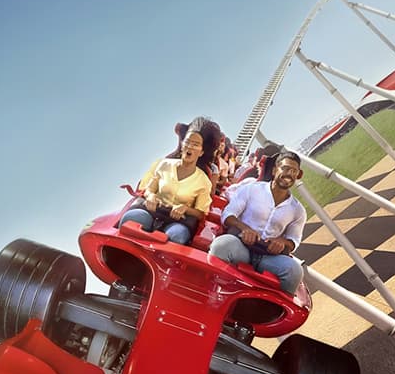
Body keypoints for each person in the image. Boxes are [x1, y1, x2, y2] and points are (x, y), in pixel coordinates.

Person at [208, 150, 307, 294]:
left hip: (268, 257)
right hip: (242, 246)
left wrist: (282, 242)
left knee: (294, 271)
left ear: (298, 175)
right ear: (274, 170)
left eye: (294, 171)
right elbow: (228, 215)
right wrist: (244, 228)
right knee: (221, 245)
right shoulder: (251, 189)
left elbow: (293, 241)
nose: (289, 174)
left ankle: (269, 312)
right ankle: (215, 292)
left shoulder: (298, 210)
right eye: (285, 168)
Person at [120, 119, 219, 245]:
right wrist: (151, 196)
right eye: (187, 142)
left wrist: (185, 209)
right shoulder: (165, 164)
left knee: (176, 237)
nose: (189, 147)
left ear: (202, 152)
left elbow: (200, 213)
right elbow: (149, 189)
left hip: (177, 221)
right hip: (152, 211)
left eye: (195, 144)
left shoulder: (204, 180)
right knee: (132, 219)